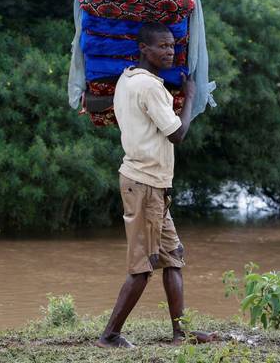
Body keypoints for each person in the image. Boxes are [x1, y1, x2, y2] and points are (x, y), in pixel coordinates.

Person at [95, 22, 217, 349]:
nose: (170, 51)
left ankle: (181, 333)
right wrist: (190, 97)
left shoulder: (126, 78)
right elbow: (177, 133)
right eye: (162, 46)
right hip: (144, 183)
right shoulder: (149, 86)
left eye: (172, 45)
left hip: (153, 185)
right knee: (143, 267)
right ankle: (109, 335)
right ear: (143, 49)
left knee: (173, 257)